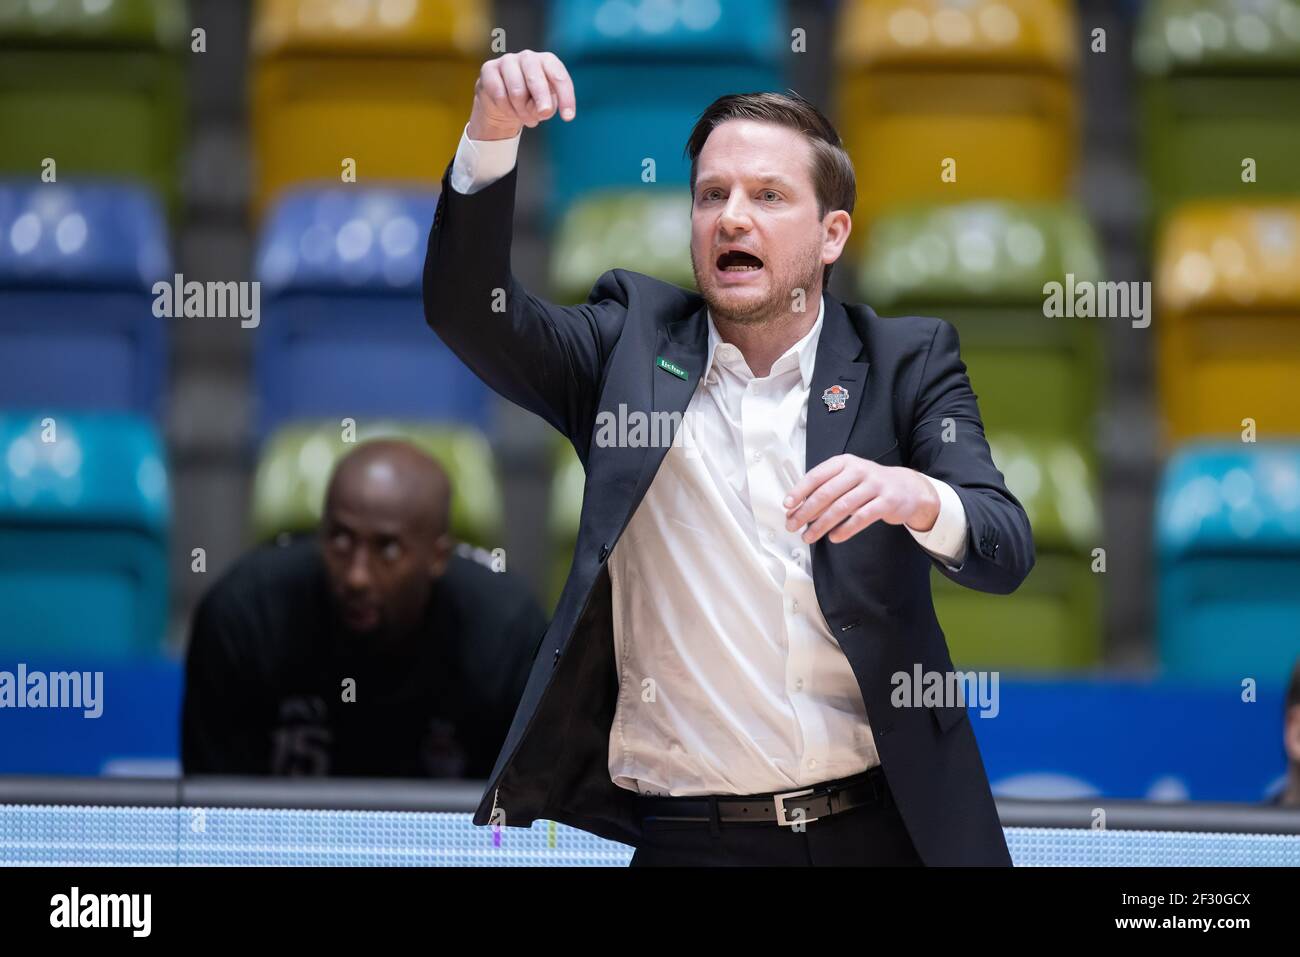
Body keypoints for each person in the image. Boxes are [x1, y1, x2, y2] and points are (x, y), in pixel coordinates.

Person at [423, 51, 1034, 865]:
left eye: (768, 196)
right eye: (712, 195)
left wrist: (918, 496)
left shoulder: (905, 363)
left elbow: (1004, 544)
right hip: (690, 839)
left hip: (878, 829)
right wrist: (491, 134)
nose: (731, 218)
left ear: (831, 234)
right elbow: (470, 312)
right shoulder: (625, 349)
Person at [182, 440, 547, 779]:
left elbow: (515, 826)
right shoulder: (245, 617)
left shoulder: (505, 635)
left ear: (437, 556)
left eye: (387, 548)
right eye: (340, 539)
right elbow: (213, 816)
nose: (356, 576)